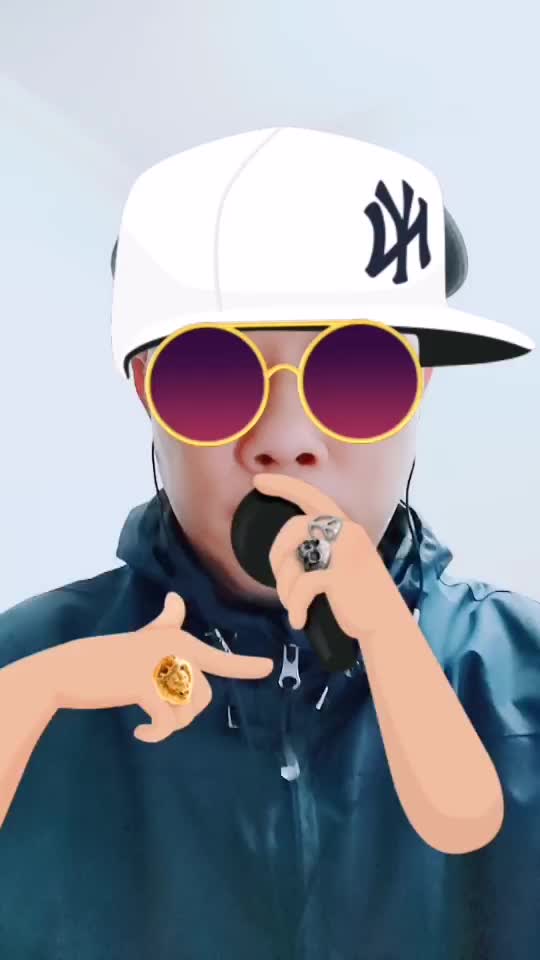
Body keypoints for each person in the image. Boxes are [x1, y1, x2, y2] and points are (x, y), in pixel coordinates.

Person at [0, 126, 539, 960]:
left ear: (420, 388)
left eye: (356, 375)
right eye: (212, 377)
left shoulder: (523, 681)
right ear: (145, 391)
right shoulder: (26, 667)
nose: (284, 441)